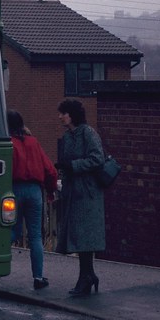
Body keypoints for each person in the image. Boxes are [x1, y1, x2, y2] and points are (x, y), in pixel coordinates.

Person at [54, 98, 107, 297]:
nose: (60, 117)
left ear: (72, 114)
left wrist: (73, 166)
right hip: (73, 192)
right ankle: (88, 275)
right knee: (79, 236)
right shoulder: (68, 137)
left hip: (87, 193)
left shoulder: (88, 133)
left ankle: (86, 277)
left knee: (85, 236)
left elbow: (97, 159)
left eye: (63, 113)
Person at [7, 110, 58, 289]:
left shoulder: (8, 143)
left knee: (11, 231)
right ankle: (38, 277)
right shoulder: (34, 142)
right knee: (35, 236)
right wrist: (51, 192)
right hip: (35, 191)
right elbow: (50, 170)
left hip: (13, 190)